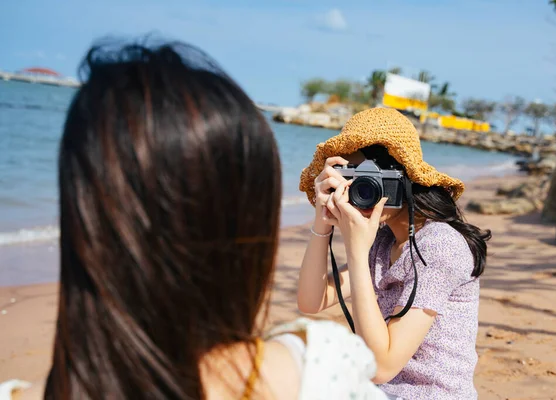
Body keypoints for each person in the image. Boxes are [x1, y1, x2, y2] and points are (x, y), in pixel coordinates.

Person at [0, 40, 387, 400]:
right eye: (357, 173)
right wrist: (325, 226)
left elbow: (375, 355)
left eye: (385, 173)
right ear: (251, 225)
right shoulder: (319, 374)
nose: (369, 185)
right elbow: (310, 302)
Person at [297, 107, 491, 400]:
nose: (358, 189)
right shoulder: (385, 240)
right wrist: (322, 221)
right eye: (349, 176)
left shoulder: (440, 245)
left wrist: (356, 246)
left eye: (370, 177)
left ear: (403, 177)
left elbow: (382, 366)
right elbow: (312, 301)